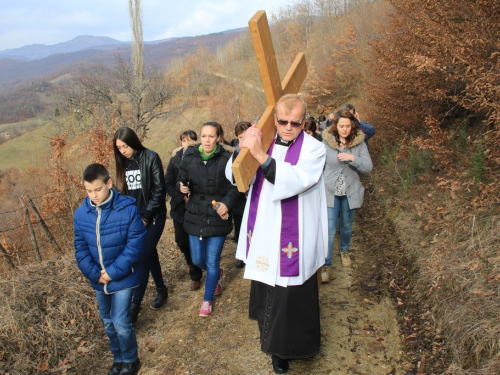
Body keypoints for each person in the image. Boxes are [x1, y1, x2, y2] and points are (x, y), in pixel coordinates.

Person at [225, 94, 328, 374]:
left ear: (304, 121)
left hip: (296, 235)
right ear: (275, 119)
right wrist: (242, 149)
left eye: (296, 122)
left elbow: (295, 180)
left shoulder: (314, 149)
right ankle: (271, 345)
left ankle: (291, 348)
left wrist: (259, 154)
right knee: (265, 290)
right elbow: (236, 176)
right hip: (263, 230)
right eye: (282, 121)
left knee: (290, 296)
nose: (288, 127)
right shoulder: (266, 139)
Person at [74, 163, 145, 375]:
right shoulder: (81, 214)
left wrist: (111, 272)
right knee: (107, 322)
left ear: (109, 183)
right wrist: (96, 274)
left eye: (98, 189)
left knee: (121, 320)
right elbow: (80, 248)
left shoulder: (128, 209)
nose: (94, 195)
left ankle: (131, 359)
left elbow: (135, 246)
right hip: (98, 279)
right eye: (89, 191)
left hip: (123, 276)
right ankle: (118, 359)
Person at [177, 121, 238, 317]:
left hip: (218, 214)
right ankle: (217, 274)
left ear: (218, 137)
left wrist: (227, 204)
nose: (207, 140)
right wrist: (181, 185)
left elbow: (234, 186)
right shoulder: (190, 156)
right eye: (204, 136)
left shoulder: (226, 158)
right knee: (197, 259)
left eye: (211, 136)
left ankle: (207, 300)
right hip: (195, 214)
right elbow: (181, 176)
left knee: (211, 261)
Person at [113, 127, 169, 323]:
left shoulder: (150, 157)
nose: (123, 150)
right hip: (134, 221)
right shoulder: (122, 164)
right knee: (149, 252)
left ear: (133, 142)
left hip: (153, 217)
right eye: (119, 147)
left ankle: (133, 309)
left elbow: (159, 191)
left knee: (142, 257)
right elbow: (120, 195)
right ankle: (161, 290)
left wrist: (146, 217)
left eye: (125, 146)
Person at [321, 108, 373, 282]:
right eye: (341, 125)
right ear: (336, 126)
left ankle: (345, 251)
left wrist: (352, 159)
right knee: (329, 230)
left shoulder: (360, 144)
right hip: (329, 191)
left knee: (346, 226)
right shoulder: (326, 142)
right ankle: (326, 265)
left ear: (352, 126)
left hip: (350, 190)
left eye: (348, 126)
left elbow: (368, 167)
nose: (344, 129)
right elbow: (317, 164)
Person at [165, 130, 203, 291]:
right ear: (181, 142)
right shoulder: (175, 160)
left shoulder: (200, 158)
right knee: (182, 241)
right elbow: (168, 183)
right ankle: (189, 261)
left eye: (191, 140)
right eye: (184, 140)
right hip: (180, 209)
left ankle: (195, 275)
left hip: (197, 208)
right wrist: (181, 197)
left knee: (195, 240)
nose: (187, 143)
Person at [231, 121, 252, 268]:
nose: (243, 141)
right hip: (240, 199)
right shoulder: (236, 153)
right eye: (240, 137)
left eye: (246, 136)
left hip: (254, 197)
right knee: (239, 229)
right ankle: (242, 254)